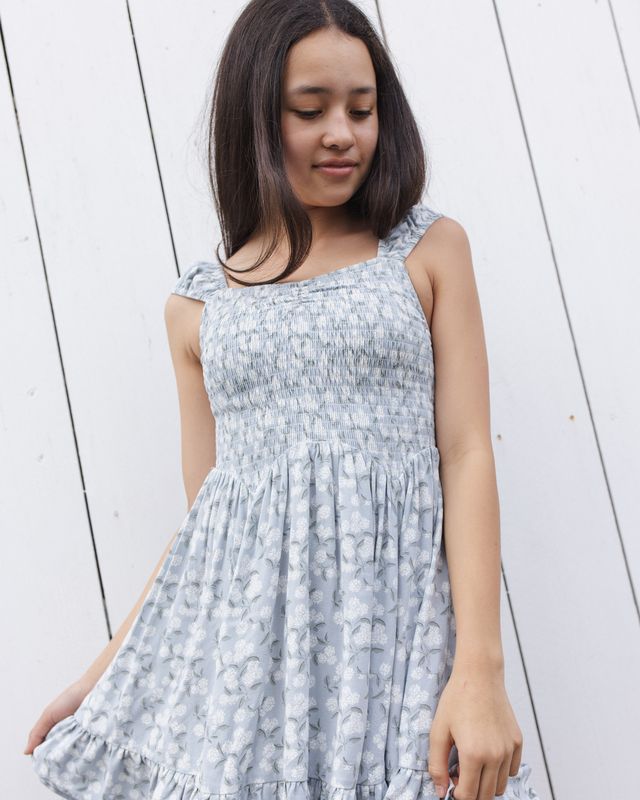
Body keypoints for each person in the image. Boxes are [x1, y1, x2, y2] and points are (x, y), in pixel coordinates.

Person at [26, 2, 541, 799]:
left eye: (362, 110)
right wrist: (104, 674)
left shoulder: (426, 252)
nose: (343, 132)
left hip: (391, 652)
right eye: (311, 110)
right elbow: (205, 531)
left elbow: (466, 452)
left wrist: (479, 667)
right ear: (256, 119)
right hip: (249, 677)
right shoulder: (200, 307)